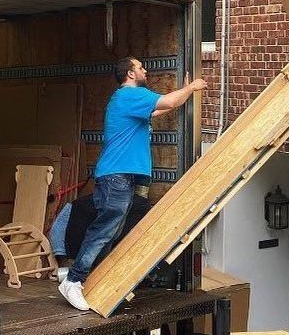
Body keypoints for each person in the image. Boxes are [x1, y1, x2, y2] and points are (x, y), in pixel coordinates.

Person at [58, 56, 206, 310]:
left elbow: (163, 108)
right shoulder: (129, 96)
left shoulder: (130, 101)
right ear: (129, 74)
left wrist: (184, 92)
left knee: (111, 230)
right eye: (140, 67)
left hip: (118, 176)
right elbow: (167, 101)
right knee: (104, 230)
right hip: (116, 175)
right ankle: (73, 280)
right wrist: (191, 88)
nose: (145, 70)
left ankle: (84, 277)